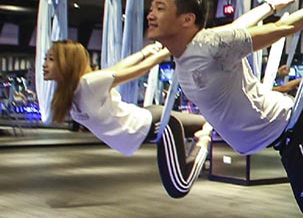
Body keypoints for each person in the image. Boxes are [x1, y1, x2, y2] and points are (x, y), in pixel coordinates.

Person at [145, 0, 303, 218]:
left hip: (290, 126)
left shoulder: (209, 46)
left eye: (160, 8)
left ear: (187, 19)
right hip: (272, 133)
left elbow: (284, 27)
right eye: (151, 8)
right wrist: (270, 4)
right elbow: (236, 27)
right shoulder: (188, 53)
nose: (150, 15)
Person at [43, 39, 212, 199]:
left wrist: (171, 49)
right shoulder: (73, 91)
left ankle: (203, 141)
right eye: (46, 59)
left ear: (66, 62)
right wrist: (143, 53)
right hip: (147, 117)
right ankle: (208, 130)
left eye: (51, 59)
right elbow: (117, 68)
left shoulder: (88, 83)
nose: (44, 64)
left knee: (179, 187)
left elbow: (139, 71)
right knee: (208, 122)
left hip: (158, 124)